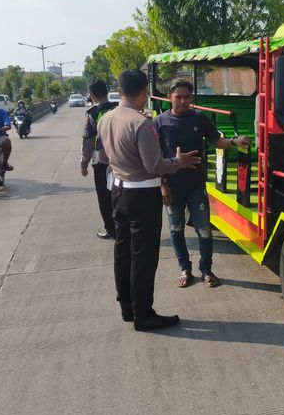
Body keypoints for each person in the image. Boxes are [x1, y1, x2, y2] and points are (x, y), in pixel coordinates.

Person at [98, 69, 201, 331]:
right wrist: (179, 162)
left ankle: (127, 307)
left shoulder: (106, 118)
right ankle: (144, 314)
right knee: (143, 257)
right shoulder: (141, 123)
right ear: (144, 91)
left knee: (123, 251)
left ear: (120, 90)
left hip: (119, 192)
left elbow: (102, 158)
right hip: (142, 194)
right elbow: (154, 165)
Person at [155, 79, 251, 289]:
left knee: (204, 229)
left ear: (192, 98)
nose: (183, 101)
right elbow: (156, 158)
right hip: (172, 187)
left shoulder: (200, 118)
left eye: (187, 97)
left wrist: (234, 142)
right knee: (176, 228)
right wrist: (162, 185)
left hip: (196, 186)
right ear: (169, 97)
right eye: (178, 97)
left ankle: (206, 269)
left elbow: (216, 141)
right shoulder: (160, 122)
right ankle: (185, 269)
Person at [80, 80, 118, 239]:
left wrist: (84, 163)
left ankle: (111, 229)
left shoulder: (92, 113)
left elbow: (88, 140)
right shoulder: (118, 107)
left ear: (92, 95)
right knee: (120, 194)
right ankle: (126, 227)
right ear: (107, 91)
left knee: (105, 196)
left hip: (101, 162)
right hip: (123, 159)